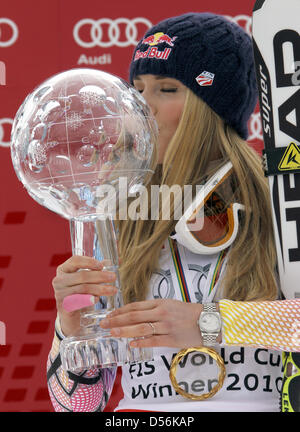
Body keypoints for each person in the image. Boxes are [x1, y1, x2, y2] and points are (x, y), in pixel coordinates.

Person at [47, 12, 300, 412]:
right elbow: (78, 406)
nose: (139, 107)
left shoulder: (279, 195)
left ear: (211, 109)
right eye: (137, 88)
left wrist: (208, 323)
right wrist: (71, 328)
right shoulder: (117, 211)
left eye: (166, 89)